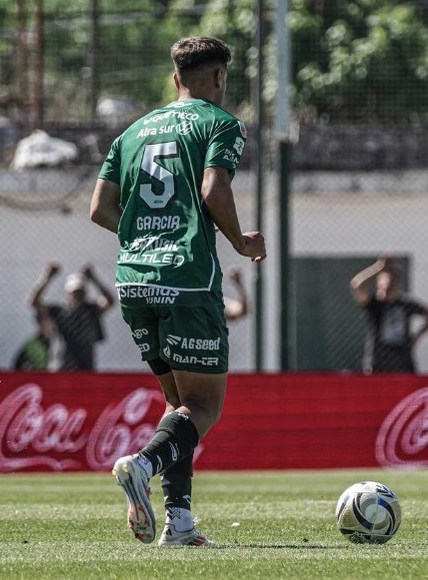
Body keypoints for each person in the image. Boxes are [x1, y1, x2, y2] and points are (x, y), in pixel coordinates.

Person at [89, 36, 266, 547]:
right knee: (205, 406)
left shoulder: (133, 131)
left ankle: (180, 523)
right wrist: (240, 240)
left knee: (178, 406)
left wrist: (145, 236)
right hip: (187, 279)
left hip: (134, 279)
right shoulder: (222, 124)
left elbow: (99, 208)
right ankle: (141, 466)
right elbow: (214, 189)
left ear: (174, 79)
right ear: (218, 79)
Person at [350, 256, 428, 373]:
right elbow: (357, 286)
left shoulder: (405, 304)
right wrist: (378, 267)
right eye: (385, 281)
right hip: (378, 356)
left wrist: (417, 335)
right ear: (378, 283)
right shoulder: (373, 304)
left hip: (402, 357)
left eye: (391, 281)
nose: (388, 285)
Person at [28, 262, 115, 371]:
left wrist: (94, 279)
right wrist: (46, 278)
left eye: (80, 292)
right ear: (67, 294)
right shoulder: (58, 311)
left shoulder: (91, 310)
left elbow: (110, 301)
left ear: (85, 293)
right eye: (74, 293)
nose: (77, 296)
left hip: (85, 367)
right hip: (60, 366)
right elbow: (34, 302)